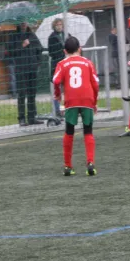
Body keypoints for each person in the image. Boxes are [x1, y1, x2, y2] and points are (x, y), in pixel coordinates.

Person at [52, 36, 99, 176]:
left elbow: (55, 80)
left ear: (65, 51)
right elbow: (96, 84)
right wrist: (94, 101)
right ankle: (90, 163)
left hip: (71, 100)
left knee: (69, 131)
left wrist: (58, 94)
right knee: (88, 131)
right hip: (87, 99)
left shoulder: (62, 64)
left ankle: (67, 166)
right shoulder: (88, 63)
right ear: (80, 49)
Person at [8, 22, 44, 126]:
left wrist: (37, 62)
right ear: (18, 24)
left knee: (32, 94)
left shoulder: (32, 35)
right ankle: (21, 118)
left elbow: (40, 48)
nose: (24, 25)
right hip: (21, 69)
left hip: (32, 69)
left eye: (25, 23)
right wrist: (22, 45)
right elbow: (10, 52)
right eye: (22, 23)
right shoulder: (13, 36)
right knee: (22, 94)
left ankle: (32, 118)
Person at [48, 18, 66, 118]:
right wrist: (61, 50)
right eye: (57, 25)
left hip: (66, 65)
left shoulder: (66, 34)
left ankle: (69, 108)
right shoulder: (52, 37)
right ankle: (57, 110)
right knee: (57, 88)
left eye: (60, 24)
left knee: (67, 88)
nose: (59, 26)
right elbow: (51, 52)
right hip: (57, 65)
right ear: (54, 26)